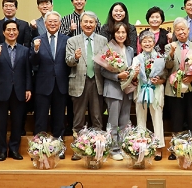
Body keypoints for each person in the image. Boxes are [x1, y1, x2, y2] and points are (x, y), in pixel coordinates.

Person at [65, 11, 107, 160]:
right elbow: (68, 61)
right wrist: (75, 58)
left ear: (96, 24)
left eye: (91, 22)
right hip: (78, 83)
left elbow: (107, 60)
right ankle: (78, 149)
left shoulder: (103, 40)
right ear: (81, 24)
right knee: (78, 120)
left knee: (97, 118)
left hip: (97, 82)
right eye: (86, 22)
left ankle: (97, 149)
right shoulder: (72, 41)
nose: (88, 24)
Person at [0, 20, 32, 161]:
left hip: (19, 91)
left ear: (18, 32)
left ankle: (14, 149)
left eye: (14, 30)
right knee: (1, 124)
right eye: (8, 30)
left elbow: (27, 71)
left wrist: (28, 88)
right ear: (3, 32)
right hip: (1, 91)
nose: (11, 32)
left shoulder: (24, 50)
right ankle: (1, 151)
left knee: (17, 122)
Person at [30, 11, 70, 159]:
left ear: (60, 24)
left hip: (61, 85)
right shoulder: (37, 40)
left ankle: (59, 149)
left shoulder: (67, 40)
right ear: (45, 24)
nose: (53, 24)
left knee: (59, 119)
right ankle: (38, 149)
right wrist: (35, 50)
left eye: (55, 21)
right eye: (50, 21)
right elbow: (32, 62)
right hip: (42, 85)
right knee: (40, 119)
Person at [164, 17, 192, 160]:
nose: (181, 32)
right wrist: (171, 54)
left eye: (183, 29)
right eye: (178, 30)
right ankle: (176, 150)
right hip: (175, 90)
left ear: (188, 30)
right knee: (177, 120)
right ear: (174, 32)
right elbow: (167, 67)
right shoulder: (170, 46)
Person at [100, 22, 135, 161]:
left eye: (123, 32)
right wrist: (117, 76)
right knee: (113, 121)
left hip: (128, 89)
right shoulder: (108, 49)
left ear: (127, 34)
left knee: (125, 121)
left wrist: (134, 76)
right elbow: (103, 71)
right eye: (118, 32)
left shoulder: (130, 50)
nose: (121, 35)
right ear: (113, 34)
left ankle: (123, 147)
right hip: (113, 90)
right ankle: (113, 149)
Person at [133, 30, 166, 161]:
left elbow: (164, 77)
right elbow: (133, 77)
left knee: (157, 118)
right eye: (144, 41)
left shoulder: (160, 58)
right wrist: (134, 74)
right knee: (140, 119)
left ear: (154, 42)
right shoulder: (136, 58)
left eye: (150, 41)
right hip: (141, 90)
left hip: (156, 91)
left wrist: (158, 80)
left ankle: (158, 147)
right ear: (140, 44)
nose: (147, 43)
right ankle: (140, 146)